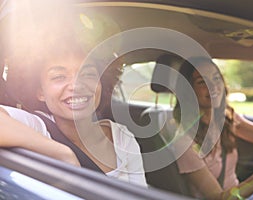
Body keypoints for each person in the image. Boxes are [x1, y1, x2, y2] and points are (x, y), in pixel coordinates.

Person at [0, 2, 147, 187]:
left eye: (88, 74)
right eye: (59, 76)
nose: (76, 86)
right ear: (40, 92)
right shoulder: (38, 127)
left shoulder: (122, 138)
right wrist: (62, 153)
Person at [172, 56, 253, 199]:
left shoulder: (227, 119)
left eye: (216, 78)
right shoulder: (184, 143)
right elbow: (218, 198)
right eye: (202, 82)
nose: (213, 86)